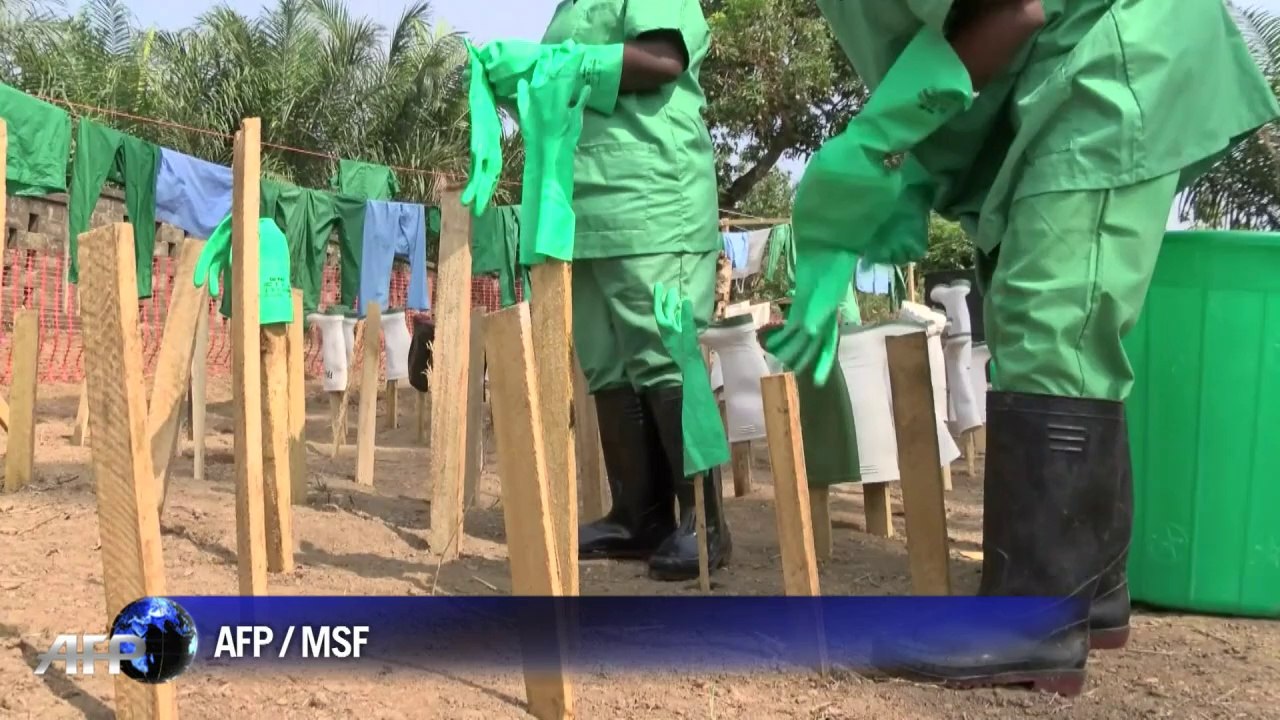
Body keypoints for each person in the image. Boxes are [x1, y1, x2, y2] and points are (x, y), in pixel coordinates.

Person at [786, 0, 1279, 694]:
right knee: (1041, 310)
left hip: (1113, 45)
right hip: (1051, 72)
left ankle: (1031, 621)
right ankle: (1090, 587)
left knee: (1053, 310)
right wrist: (911, 170)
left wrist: (875, 139)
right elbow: (950, 33)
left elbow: (1019, 7)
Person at [478, 1, 728, 582]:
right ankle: (638, 517)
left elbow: (664, 60)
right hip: (579, 206)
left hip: (650, 197)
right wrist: (525, 74)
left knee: (664, 352)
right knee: (606, 360)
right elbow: (566, 90)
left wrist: (557, 61)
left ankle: (704, 522)